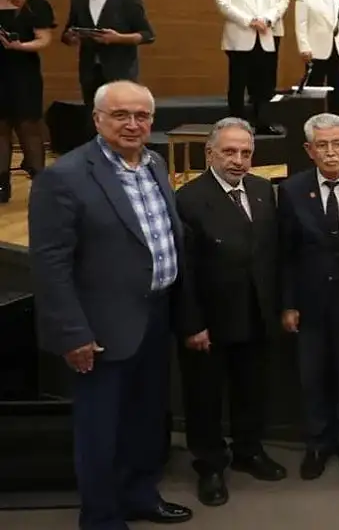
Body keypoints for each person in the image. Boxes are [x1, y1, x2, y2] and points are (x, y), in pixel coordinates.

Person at [28, 80, 192, 529]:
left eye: (141, 115)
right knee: (101, 431)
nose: (132, 124)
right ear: (97, 119)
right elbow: (50, 264)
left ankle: (140, 495)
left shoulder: (156, 163)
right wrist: (73, 333)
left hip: (155, 315)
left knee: (146, 421)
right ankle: (101, 517)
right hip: (99, 328)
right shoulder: (64, 177)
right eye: (120, 115)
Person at [173, 117, 286, 506]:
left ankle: (248, 451)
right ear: (210, 153)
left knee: (251, 390)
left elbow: (270, 253)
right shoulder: (188, 199)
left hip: (256, 314)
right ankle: (209, 466)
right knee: (205, 398)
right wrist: (193, 324)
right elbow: (184, 271)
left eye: (246, 153)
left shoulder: (262, 190)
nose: (239, 160)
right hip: (210, 322)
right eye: (229, 152)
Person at [277, 113, 339, 480]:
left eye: (337, 144)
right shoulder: (291, 190)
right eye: (322, 145)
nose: (330, 152)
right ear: (309, 150)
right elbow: (285, 253)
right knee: (312, 376)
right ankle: (317, 443)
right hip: (310, 302)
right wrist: (288, 303)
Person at [62, 0, 155, 114]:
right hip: (89, 72)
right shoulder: (78, 0)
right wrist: (71, 37)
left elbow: (147, 35)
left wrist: (118, 38)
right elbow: (66, 33)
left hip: (120, 71)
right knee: (93, 115)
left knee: (121, 113)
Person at [0, 0, 55, 199]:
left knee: (28, 127)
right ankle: (1, 185)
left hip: (23, 73)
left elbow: (44, 39)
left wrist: (19, 46)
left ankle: (42, 185)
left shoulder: (33, 3)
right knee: (0, 128)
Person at [215, 0, 281, 128]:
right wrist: (250, 21)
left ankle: (263, 123)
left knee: (263, 85)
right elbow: (224, 6)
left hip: (264, 36)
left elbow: (277, 4)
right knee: (238, 84)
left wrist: (268, 19)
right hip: (239, 39)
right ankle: (236, 124)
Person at [250, 0, 291, 92]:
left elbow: (284, 0)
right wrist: (258, 20)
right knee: (253, 64)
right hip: (253, 27)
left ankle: (269, 96)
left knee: (271, 63)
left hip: (273, 27)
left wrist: (269, 19)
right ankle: (254, 98)